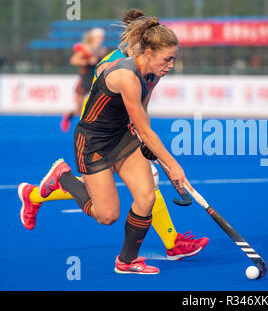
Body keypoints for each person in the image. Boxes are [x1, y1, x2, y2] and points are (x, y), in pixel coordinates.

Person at [20, 15, 205, 274]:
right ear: (148, 52)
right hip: (93, 141)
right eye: (167, 59)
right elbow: (141, 124)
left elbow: (142, 112)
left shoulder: (153, 73)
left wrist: (144, 140)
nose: (171, 65)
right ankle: (62, 177)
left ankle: (128, 260)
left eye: (174, 58)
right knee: (107, 216)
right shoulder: (125, 73)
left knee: (146, 195)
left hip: (122, 136)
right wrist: (172, 164)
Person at [61, 28, 106, 133]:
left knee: (96, 107)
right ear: (93, 37)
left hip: (96, 80)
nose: (101, 39)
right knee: (78, 109)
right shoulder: (86, 48)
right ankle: (67, 117)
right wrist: (88, 61)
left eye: (102, 37)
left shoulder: (102, 49)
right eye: (99, 37)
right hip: (85, 80)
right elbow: (74, 60)